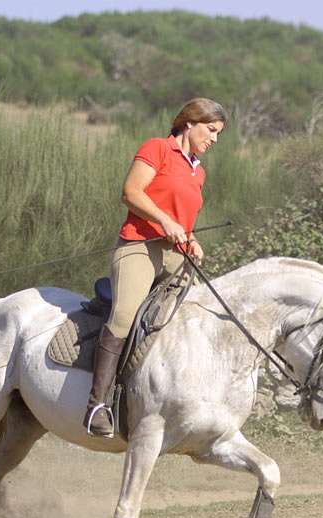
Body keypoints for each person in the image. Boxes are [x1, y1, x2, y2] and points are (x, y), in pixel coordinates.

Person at [84, 98, 228, 437]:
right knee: (124, 316)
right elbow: (131, 193)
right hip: (139, 246)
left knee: (197, 317)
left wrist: (191, 239)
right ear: (190, 122)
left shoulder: (199, 171)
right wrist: (164, 221)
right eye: (211, 130)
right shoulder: (157, 149)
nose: (215, 139)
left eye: (219, 133)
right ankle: (96, 406)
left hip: (175, 254)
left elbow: (183, 219)